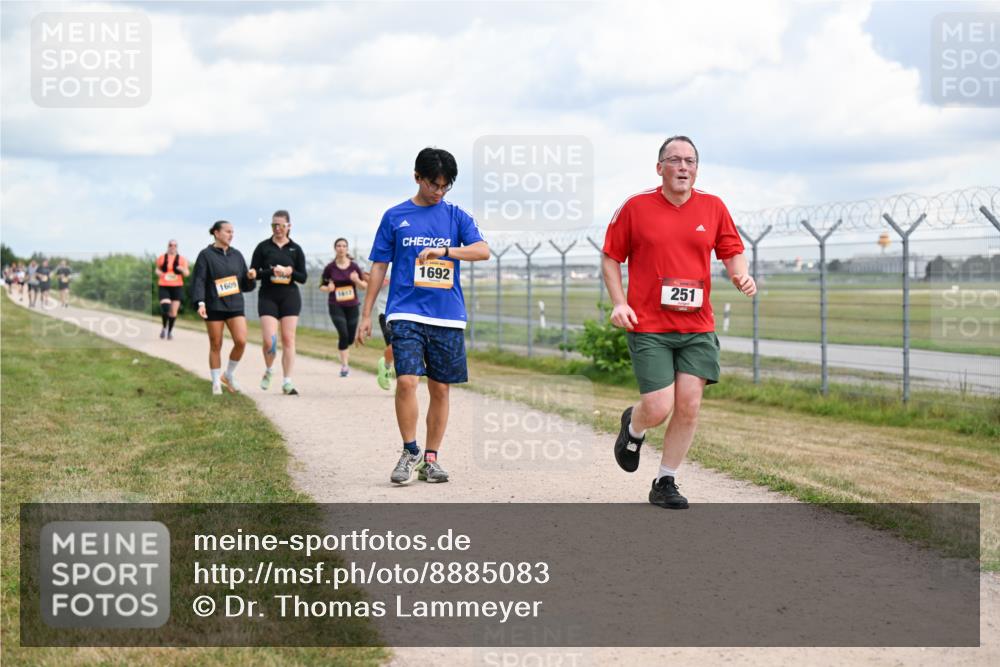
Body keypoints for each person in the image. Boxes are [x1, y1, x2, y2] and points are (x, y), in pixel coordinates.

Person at [602, 135, 757, 510]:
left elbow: (732, 251)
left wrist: (740, 275)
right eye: (675, 160)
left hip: (697, 327)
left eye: (690, 161)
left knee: (688, 405)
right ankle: (634, 427)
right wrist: (619, 304)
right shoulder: (636, 208)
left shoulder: (713, 207)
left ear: (696, 169)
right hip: (650, 326)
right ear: (660, 168)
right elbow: (610, 258)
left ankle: (665, 481)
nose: (683, 167)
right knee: (657, 408)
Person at [357, 147, 490, 485]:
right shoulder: (394, 216)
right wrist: (366, 313)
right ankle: (409, 450)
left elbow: (482, 250)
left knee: (441, 389)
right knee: (406, 381)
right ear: (417, 177)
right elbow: (378, 266)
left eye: (446, 186)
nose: (439, 192)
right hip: (404, 311)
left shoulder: (456, 216)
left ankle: (431, 459)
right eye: (434, 184)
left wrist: (446, 250)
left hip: (446, 315)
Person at [191, 221, 257, 395]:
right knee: (216, 344)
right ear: (216, 233)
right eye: (228, 231)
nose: (231, 235)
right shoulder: (205, 255)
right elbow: (199, 280)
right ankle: (215, 384)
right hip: (214, 305)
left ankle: (228, 374)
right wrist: (200, 302)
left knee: (241, 341)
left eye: (232, 232)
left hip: (235, 304)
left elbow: (246, 286)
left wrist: (250, 277)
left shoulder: (237, 255)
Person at [250, 210, 307, 395]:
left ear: (289, 226)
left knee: (289, 339)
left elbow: (303, 277)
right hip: (268, 296)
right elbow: (254, 272)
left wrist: (290, 271)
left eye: (281, 225)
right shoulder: (263, 247)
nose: (277, 229)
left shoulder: (295, 249)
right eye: (274, 225)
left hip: (289, 296)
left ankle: (287, 381)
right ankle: (269, 369)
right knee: (269, 340)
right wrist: (271, 271)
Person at [320, 238, 367, 376]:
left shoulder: (354, 267)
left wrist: (356, 280)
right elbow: (321, 285)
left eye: (344, 246)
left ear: (347, 249)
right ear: (335, 248)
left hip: (352, 305)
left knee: (350, 338)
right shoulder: (330, 268)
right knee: (343, 333)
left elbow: (364, 286)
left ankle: (344, 342)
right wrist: (328, 288)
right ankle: (345, 366)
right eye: (339, 246)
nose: (341, 248)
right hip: (335, 304)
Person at [155, 240, 190, 339]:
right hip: (164, 285)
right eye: (171, 245)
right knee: (166, 307)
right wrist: (158, 273)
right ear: (168, 246)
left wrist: (182, 269)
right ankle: (164, 327)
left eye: (175, 245)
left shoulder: (182, 259)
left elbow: (187, 273)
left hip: (177, 286)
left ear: (177, 247)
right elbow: (157, 269)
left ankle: (169, 332)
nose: (172, 247)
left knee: (173, 312)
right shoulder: (162, 258)